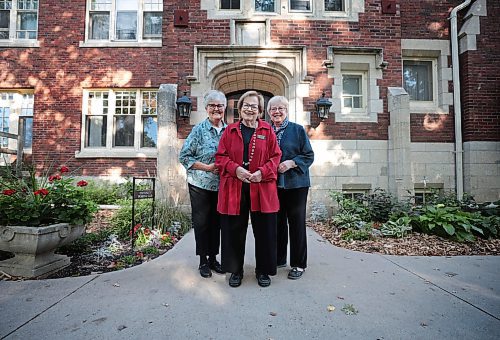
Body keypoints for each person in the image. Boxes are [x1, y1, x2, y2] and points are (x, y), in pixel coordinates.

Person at [215, 91, 282, 288]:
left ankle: (263, 270)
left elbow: (276, 157)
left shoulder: (267, 131)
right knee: (234, 230)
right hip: (235, 186)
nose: (249, 108)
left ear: (260, 111)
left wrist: (262, 172)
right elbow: (220, 157)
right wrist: (236, 169)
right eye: (246, 105)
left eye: (254, 106)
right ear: (240, 108)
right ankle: (236, 270)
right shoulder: (230, 131)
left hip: (262, 186)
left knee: (265, 231)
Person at [179, 90, 227, 278]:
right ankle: (203, 261)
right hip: (200, 184)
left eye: (220, 105)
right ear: (206, 108)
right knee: (202, 223)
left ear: (224, 108)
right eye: (212, 105)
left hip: (222, 186)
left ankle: (214, 258)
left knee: (217, 223)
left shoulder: (229, 130)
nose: (216, 108)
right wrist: (207, 167)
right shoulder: (198, 130)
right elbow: (184, 156)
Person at [267, 96, 314, 280]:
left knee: (296, 224)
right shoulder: (265, 130)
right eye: (273, 109)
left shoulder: (297, 130)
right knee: (277, 223)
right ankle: (279, 258)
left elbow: (309, 155)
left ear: (286, 110)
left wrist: (292, 162)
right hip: (273, 185)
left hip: (296, 184)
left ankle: (298, 264)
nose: (277, 112)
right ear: (269, 112)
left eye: (280, 108)